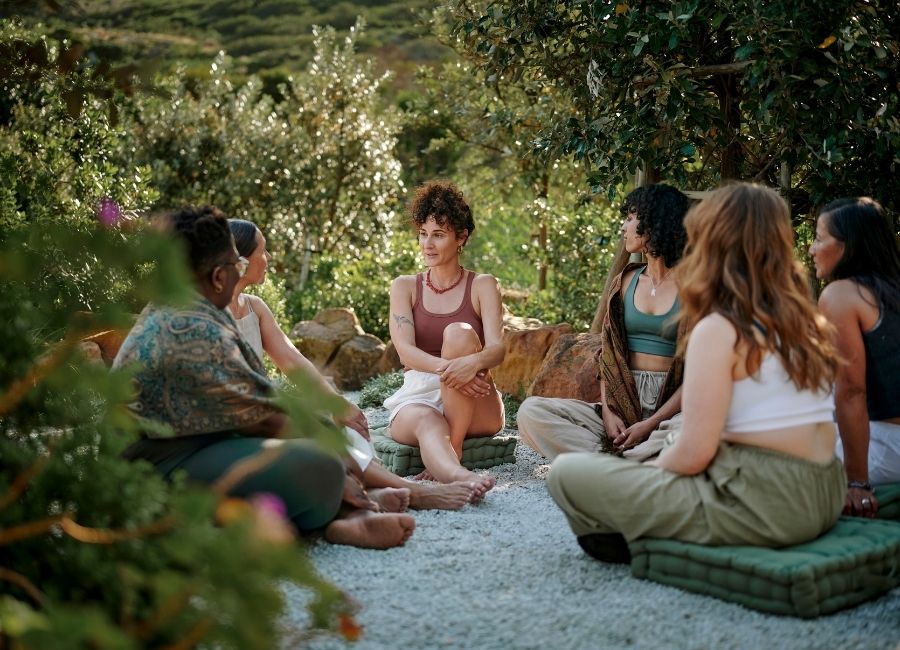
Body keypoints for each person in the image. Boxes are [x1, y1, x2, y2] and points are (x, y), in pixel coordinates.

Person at [547, 183, 845, 563]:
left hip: (772, 503)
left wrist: (642, 479)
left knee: (567, 474)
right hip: (826, 490)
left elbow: (693, 454)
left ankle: (648, 533)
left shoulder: (720, 328)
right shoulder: (806, 319)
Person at [114, 205, 415, 549]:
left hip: (201, 443)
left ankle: (347, 515)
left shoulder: (193, 307)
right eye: (235, 265)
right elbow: (264, 419)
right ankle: (346, 511)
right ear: (217, 276)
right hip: (154, 469)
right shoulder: (190, 324)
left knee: (321, 440)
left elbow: (258, 402)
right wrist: (339, 460)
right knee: (322, 464)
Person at [227, 217, 479, 510]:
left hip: (262, 412)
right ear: (240, 260)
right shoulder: (206, 314)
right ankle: (414, 492)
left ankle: (369, 495)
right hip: (241, 417)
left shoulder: (256, 308)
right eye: (263, 251)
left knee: (347, 432)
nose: (268, 258)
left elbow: (294, 362)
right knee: (319, 433)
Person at [518, 184, 689, 460]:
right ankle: (640, 463)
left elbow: (698, 374)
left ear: (656, 221)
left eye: (631, 218)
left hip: (672, 410)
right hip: (623, 400)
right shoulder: (625, 282)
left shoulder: (695, 287)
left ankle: (613, 464)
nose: (624, 226)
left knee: (691, 431)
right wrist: (609, 415)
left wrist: (650, 424)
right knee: (531, 412)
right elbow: (607, 356)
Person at [384, 181, 504, 495]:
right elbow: (406, 353)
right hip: (419, 395)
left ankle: (455, 446)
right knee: (427, 423)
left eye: (438, 235)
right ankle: (462, 478)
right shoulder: (404, 286)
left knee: (458, 333)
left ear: (461, 237)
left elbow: (497, 349)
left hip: (476, 401)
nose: (428, 244)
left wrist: (471, 364)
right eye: (423, 234)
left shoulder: (483, 285)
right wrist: (452, 370)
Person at [810, 197, 900, 518]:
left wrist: (856, 481)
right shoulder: (888, 292)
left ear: (850, 246)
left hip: (884, 448)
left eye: (819, 238)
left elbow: (851, 392)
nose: (811, 249)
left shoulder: (841, 295)